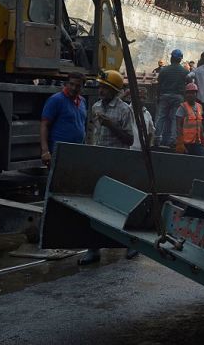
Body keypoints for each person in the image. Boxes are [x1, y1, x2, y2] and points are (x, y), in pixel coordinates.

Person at [81, 70, 136, 265]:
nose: (101, 90)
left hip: (118, 163)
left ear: (114, 90)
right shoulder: (95, 106)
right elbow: (92, 133)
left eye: (105, 88)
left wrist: (111, 125)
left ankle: (131, 244)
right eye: (100, 87)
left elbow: (129, 139)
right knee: (95, 205)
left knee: (122, 205)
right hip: (99, 162)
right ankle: (93, 248)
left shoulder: (124, 110)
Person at [40, 72, 87, 168]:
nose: (74, 88)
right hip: (59, 153)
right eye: (71, 84)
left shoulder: (82, 101)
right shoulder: (56, 100)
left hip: (76, 152)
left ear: (82, 87)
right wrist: (45, 151)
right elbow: (44, 125)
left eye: (78, 86)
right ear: (66, 84)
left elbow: (82, 125)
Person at [155, 49, 188, 147]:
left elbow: (159, 85)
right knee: (175, 118)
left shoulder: (164, 70)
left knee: (161, 117)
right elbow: (188, 84)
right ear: (180, 59)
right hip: (178, 97)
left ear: (171, 58)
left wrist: (158, 97)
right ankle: (173, 140)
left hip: (164, 96)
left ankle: (157, 138)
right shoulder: (184, 71)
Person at [176, 83, 204, 156]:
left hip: (197, 143)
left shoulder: (199, 107)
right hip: (186, 144)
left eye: (193, 93)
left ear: (196, 94)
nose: (190, 95)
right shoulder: (182, 107)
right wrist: (180, 143)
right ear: (186, 94)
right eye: (188, 93)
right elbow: (178, 126)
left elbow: (200, 126)